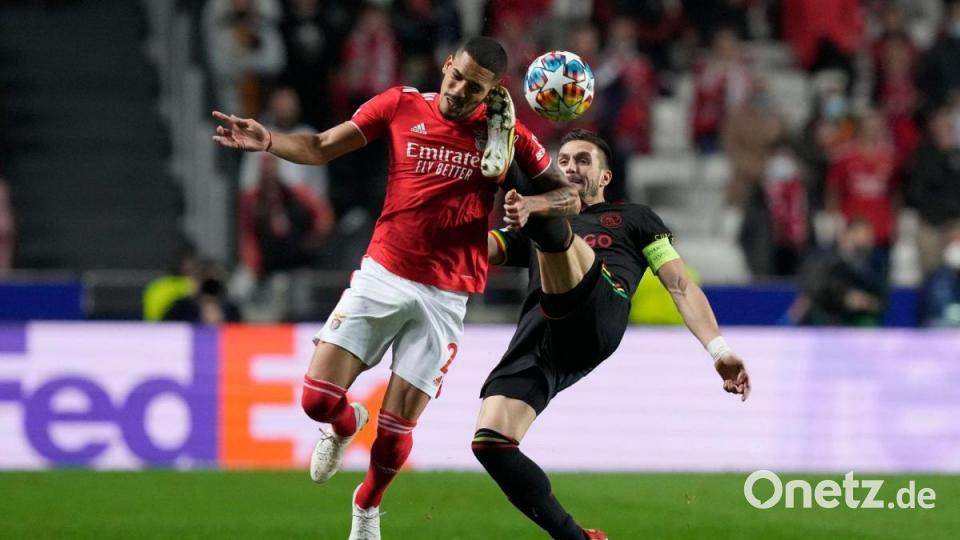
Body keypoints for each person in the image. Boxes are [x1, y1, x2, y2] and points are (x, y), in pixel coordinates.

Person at [212, 37, 579, 540]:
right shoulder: (402, 103)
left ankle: (367, 505)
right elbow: (321, 146)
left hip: (445, 295)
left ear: (493, 91)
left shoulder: (506, 136)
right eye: (456, 76)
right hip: (383, 273)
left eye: (474, 87)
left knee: (394, 432)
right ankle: (344, 424)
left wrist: (533, 208)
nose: (458, 90)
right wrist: (269, 140)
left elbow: (568, 197)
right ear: (447, 64)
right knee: (317, 400)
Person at [474, 130, 751, 540]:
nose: (571, 168)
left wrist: (718, 349)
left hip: (600, 308)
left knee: (552, 228)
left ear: (605, 177)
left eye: (583, 161)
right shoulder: (531, 223)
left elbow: (680, 285)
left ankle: (505, 148)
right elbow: (477, 251)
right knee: (491, 443)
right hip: (543, 340)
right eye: (564, 161)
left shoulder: (635, 219)